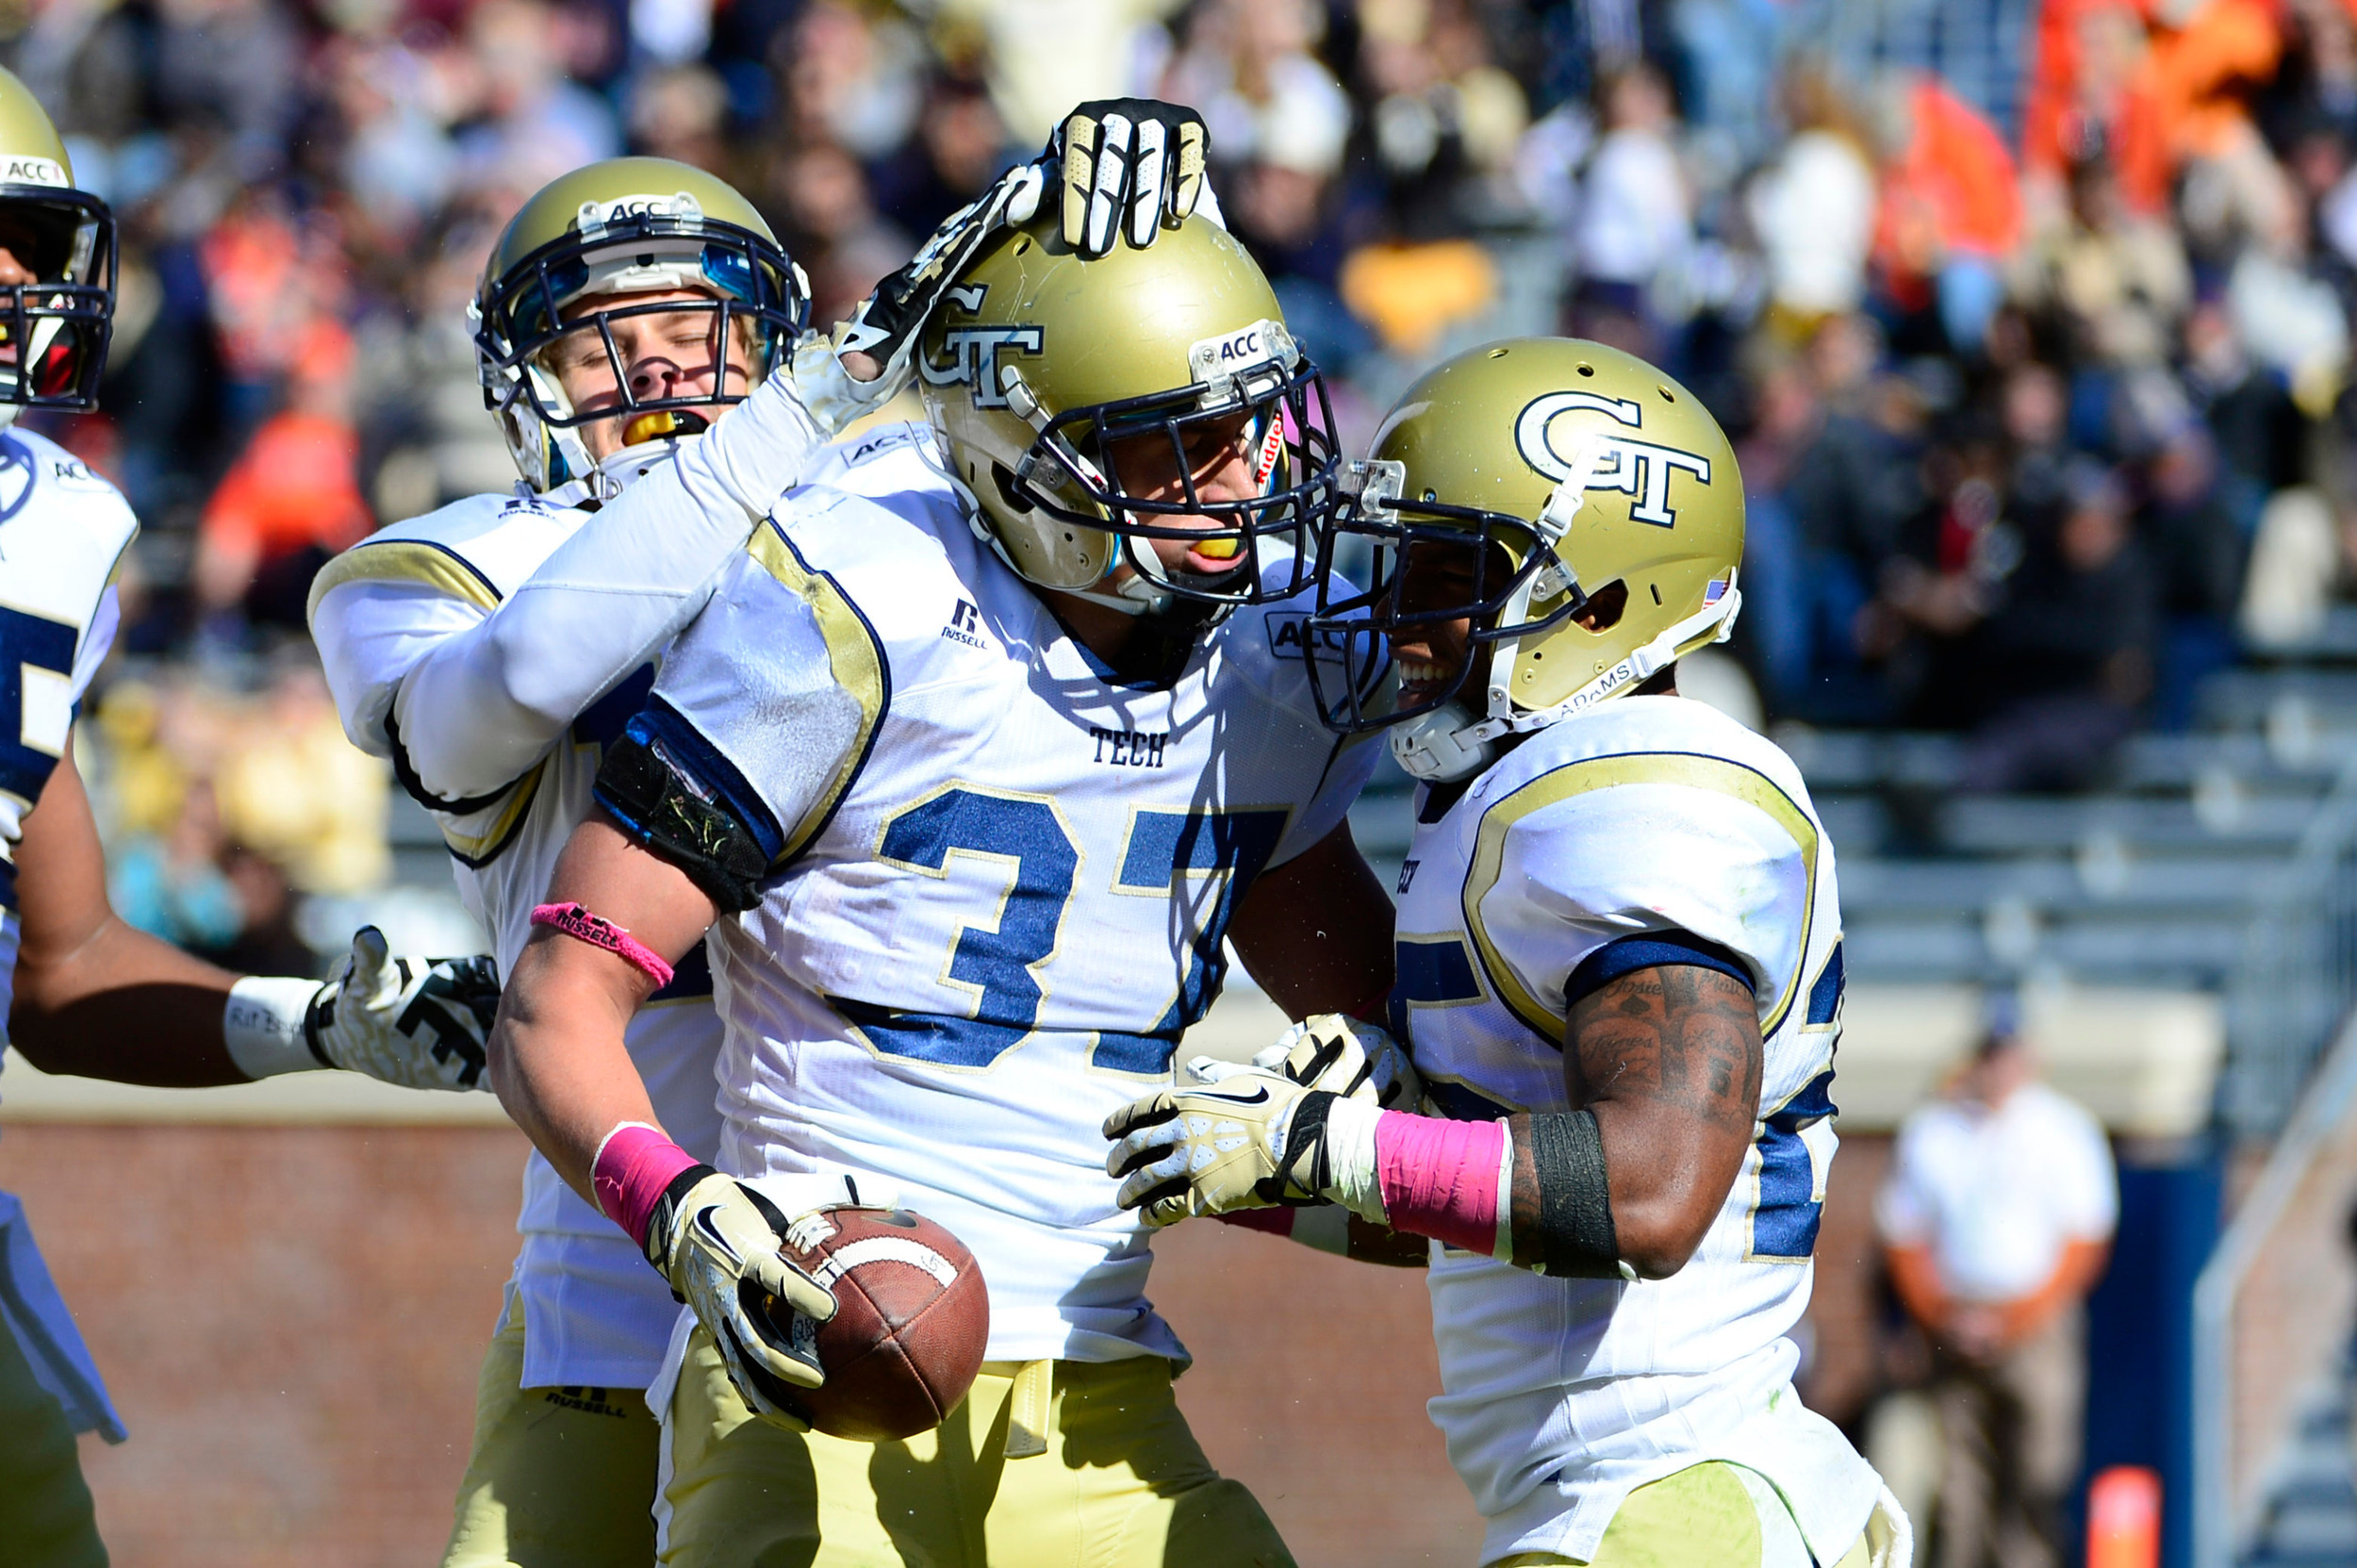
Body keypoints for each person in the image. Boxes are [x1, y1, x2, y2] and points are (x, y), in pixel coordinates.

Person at [309, 106, 1219, 1568]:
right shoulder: (445, 567)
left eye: (697, 320)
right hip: (615, 1263)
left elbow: (1133, 485)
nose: (659, 362)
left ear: (767, 329)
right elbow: (515, 685)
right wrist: (801, 405)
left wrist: (1145, 249)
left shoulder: (895, 521)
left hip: (895, 1243)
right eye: (599, 336)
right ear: (525, 384)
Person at [485, 205, 1396, 1566]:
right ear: (1028, 467)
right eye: (1176, 439)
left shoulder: (1272, 662)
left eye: (1254, 423)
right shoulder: (869, 597)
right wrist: (685, 1214)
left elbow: (1428, 1166)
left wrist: (1299, 1159)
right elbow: (555, 1003)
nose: (1243, 479)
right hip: (817, 1364)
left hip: (1099, 1389)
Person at [1104, 338, 1912, 1567]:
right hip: (1647, 1498)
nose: (1395, 616)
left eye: (1446, 572)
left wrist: (1321, 1141)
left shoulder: (1637, 798)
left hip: (1671, 1498)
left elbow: (1651, 1190)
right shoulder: (1518, 795)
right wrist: (1236, 1166)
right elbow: (1471, 1203)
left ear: (1599, 600)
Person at [0, 68, 500, 1566]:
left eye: (29, 243)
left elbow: (67, 964)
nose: (20, 283)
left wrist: (319, 1025)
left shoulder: (48, 533)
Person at [1876, 1014, 2116, 1568]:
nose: (1999, 1069)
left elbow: (2085, 1241)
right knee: (1960, 1480)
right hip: (1955, 1316)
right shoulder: (1935, 1129)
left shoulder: (2063, 1129)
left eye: (2009, 1056)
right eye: (1990, 1055)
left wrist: (2015, 1319)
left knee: (2037, 1474)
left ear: (2030, 1062)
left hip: (2037, 1322)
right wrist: (1939, 1313)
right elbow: (1904, 1235)